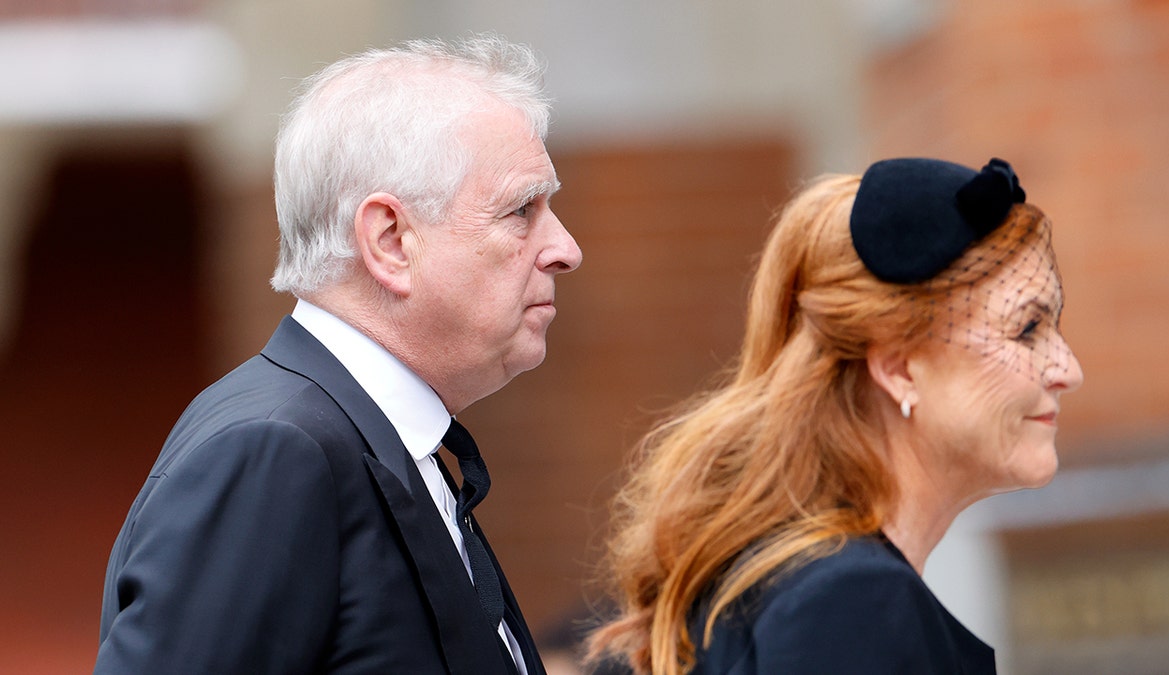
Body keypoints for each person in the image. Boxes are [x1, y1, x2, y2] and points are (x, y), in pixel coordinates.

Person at [95, 34, 581, 675]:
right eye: (521, 210)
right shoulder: (273, 454)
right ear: (390, 240)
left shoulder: (366, 439)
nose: (565, 249)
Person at [588, 157, 1083, 674]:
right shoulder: (852, 602)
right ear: (899, 370)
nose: (1067, 370)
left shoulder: (809, 581)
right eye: (1026, 329)